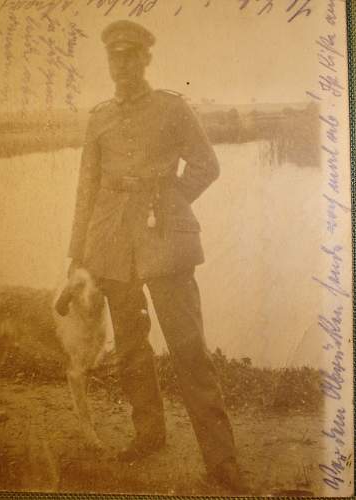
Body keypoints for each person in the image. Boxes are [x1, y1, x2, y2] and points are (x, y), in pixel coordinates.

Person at [67, 20, 247, 493]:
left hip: (165, 242)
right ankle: (149, 434)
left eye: (130, 57)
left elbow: (207, 164)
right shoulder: (99, 117)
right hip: (110, 247)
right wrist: (77, 256)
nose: (121, 66)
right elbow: (86, 188)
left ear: (145, 59)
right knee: (130, 348)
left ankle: (221, 460)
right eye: (114, 58)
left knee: (188, 348)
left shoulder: (172, 108)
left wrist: (170, 202)